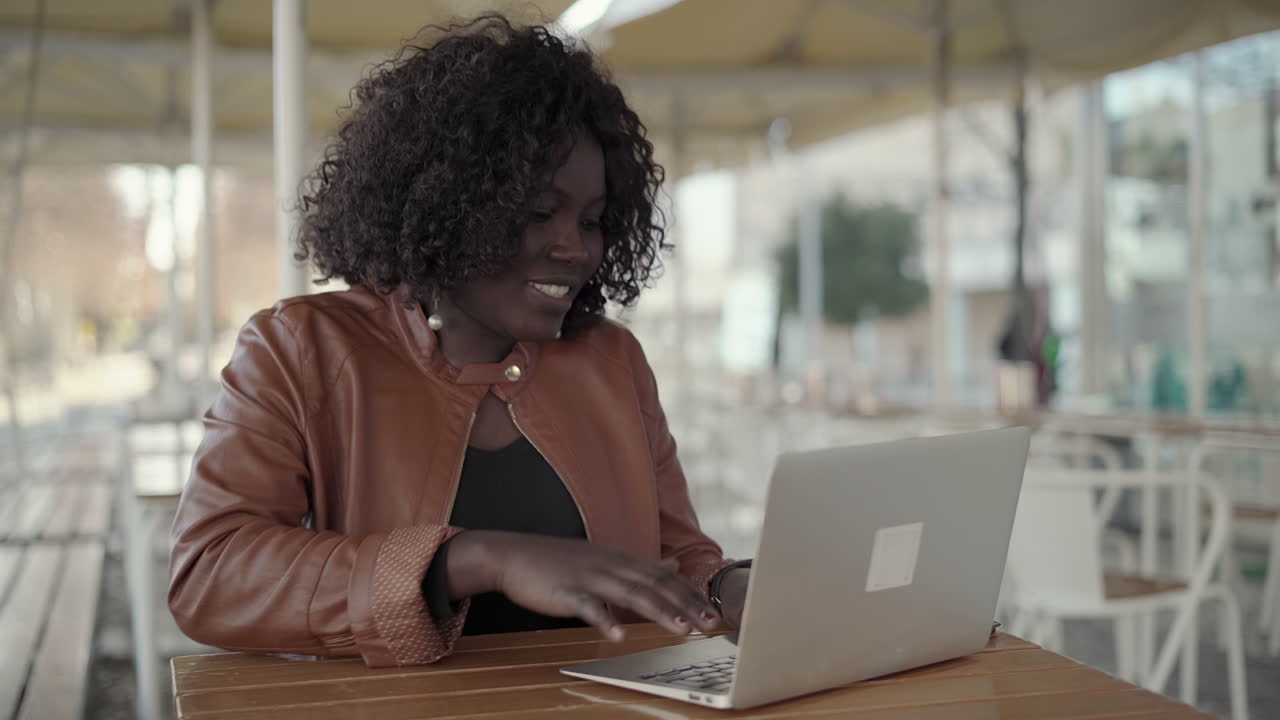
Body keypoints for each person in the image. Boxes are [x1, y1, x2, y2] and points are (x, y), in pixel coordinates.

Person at [167, 14, 750, 668]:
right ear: (449, 205)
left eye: (592, 220)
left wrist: (725, 586)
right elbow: (210, 574)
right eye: (538, 213)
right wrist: (471, 559)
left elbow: (675, 556)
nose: (575, 248)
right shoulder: (299, 349)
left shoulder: (612, 359)